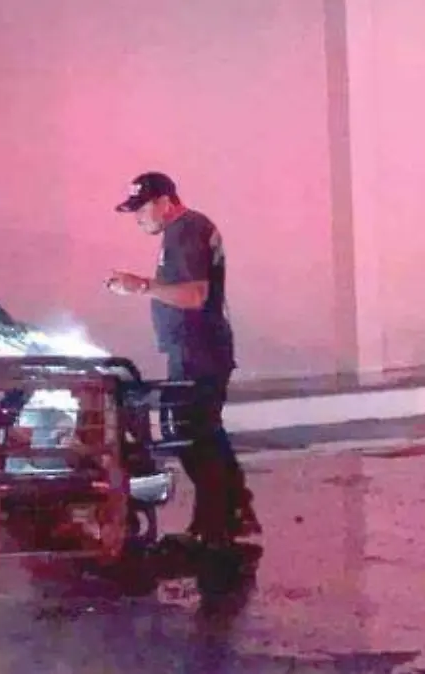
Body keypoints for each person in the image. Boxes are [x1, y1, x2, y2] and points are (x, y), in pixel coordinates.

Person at [105, 171, 261, 546]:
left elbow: (194, 295)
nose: (137, 218)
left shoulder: (186, 231)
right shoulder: (184, 231)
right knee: (200, 433)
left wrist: (141, 286)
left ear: (164, 202)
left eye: (141, 209)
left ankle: (219, 524)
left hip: (199, 351)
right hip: (196, 349)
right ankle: (229, 514)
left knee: (193, 435)